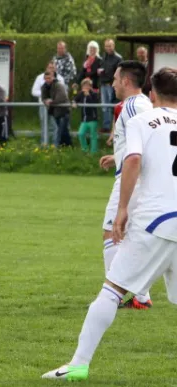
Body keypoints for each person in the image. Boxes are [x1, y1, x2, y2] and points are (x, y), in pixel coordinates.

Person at [42, 66, 177, 381]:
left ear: (152, 93)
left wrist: (122, 209)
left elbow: (134, 160)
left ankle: (77, 365)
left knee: (112, 290)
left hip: (155, 220)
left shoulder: (142, 119)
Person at [98, 60, 154, 309]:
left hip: (133, 179)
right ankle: (141, 296)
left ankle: (115, 295)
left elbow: (147, 142)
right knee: (130, 237)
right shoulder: (140, 104)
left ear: (126, 82)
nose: (112, 84)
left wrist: (128, 163)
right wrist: (117, 156)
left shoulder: (133, 106)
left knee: (112, 233)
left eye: (115, 79)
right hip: (138, 176)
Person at [41, 71, 72, 147]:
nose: (47, 80)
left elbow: (62, 98)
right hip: (54, 112)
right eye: (46, 78)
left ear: (53, 77)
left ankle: (58, 147)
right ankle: (66, 146)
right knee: (62, 131)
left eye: (49, 78)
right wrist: (46, 101)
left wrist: (51, 102)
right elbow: (43, 98)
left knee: (62, 131)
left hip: (63, 111)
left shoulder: (59, 85)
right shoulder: (44, 87)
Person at [73, 79, 99, 153]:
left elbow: (95, 104)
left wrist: (88, 96)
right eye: (84, 85)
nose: (86, 87)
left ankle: (94, 152)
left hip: (92, 119)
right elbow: (75, 99)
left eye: (87, 85)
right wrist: (74, 102)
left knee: (93, 136)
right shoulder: (81, 94)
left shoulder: (94, 94)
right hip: (84, 119)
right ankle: (85, 150)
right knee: (81, 134)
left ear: (90, 87)